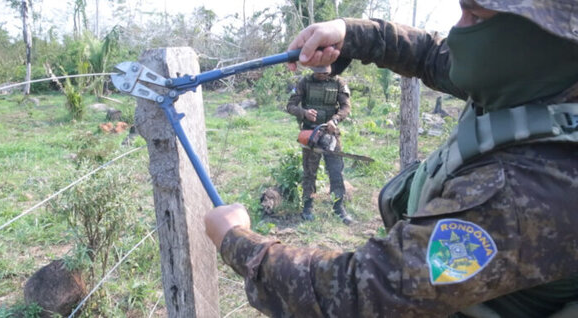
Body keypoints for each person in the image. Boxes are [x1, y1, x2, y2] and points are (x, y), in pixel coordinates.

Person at [205, 0, 578, 317]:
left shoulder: (525, 193)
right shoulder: (536, 81)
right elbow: (432, 55)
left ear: (550, 38)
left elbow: (365, 291)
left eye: (477, 18)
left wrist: (239, 243)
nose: (458, 31)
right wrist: (349, 33)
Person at [286, 64, 353, 224]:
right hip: (311, 133)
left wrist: (335, 120)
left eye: (325, 73)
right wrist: (304, 113)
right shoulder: (304, 82)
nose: (322, 75)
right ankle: (307, 206)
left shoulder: (338, 82)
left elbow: (346, 106)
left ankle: (338, 206)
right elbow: (290, 106)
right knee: (310, 171)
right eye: (319, 73)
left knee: (336, 170)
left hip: (331, 133)